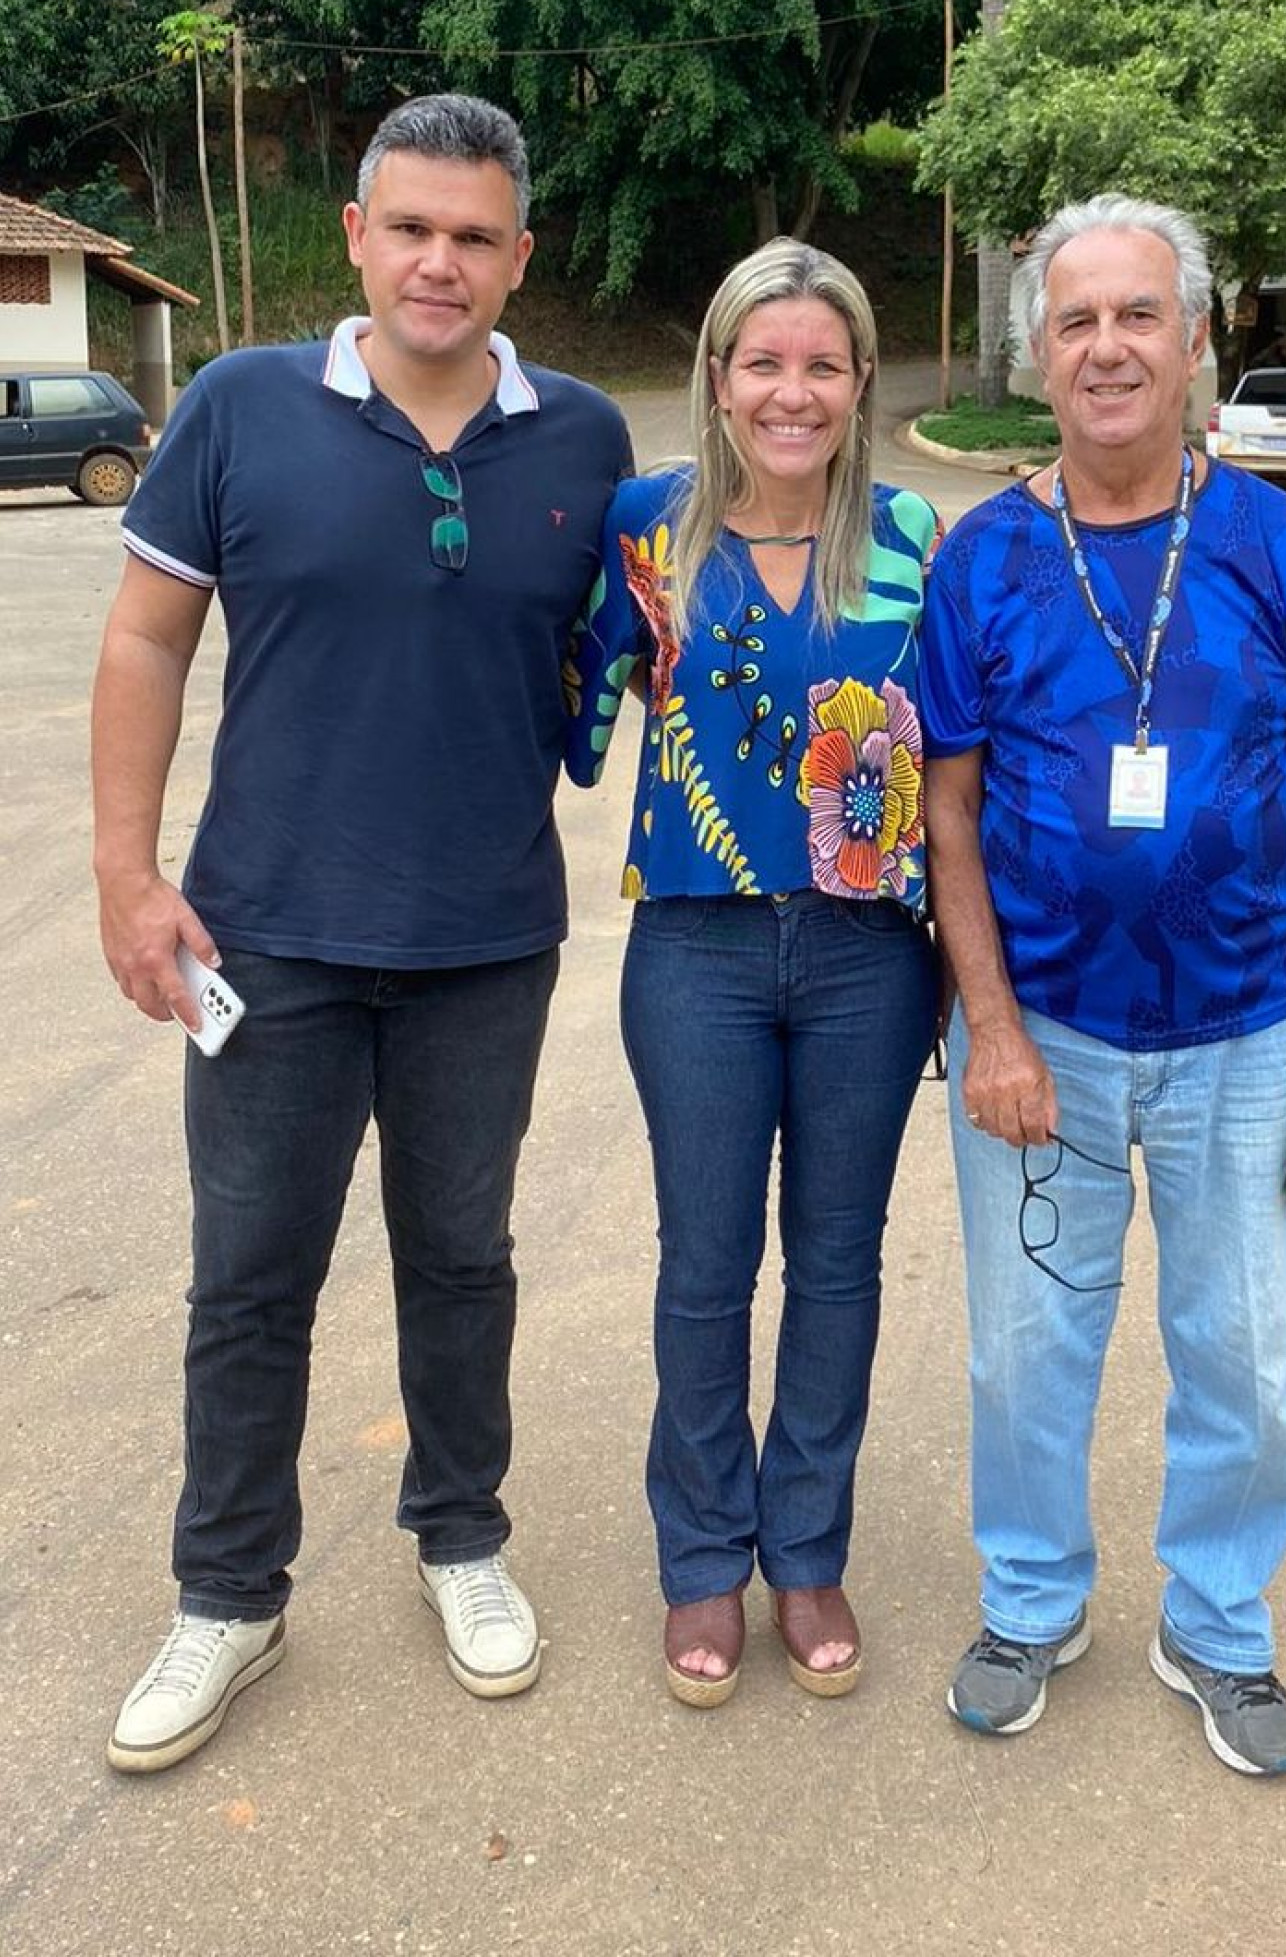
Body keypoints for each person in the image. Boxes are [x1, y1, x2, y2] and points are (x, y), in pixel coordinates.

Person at [91, 93, 632, 1773]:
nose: (439, 262)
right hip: (266, 938)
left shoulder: (587, 438)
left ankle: (461, 1536)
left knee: (462, 1259)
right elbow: (144, 646)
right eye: (410, 227)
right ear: (355, 233)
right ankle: (228, 1591)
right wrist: (127, 873)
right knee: (251, 1278)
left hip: (485, 941)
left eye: (475, 235)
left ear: (519, 255)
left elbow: (613, 656)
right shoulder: (243, 407)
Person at [921, 193, 1286, 1777]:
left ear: (1199, 342)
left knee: (1246, 1352)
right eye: (1077, 321)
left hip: (1252, 1032)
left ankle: (1216, 1624)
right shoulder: (986, 555)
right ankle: (1035, 1597)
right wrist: (986, 1024)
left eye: (1140, 316)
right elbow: (948, 807)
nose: (1109, 347)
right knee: (1026, 1347)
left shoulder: (1281, 544)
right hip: (1042, 1031)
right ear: (1037, 353)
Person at [564, 239, 941, 1707]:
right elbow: (565, 698)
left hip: (869, 957)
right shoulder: (645, 531)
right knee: (706, 1268)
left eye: (824, 364)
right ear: (717, 378)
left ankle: (806, 1548)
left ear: (859, 381)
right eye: (763, 362)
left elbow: (972, 759)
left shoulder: (918, 536)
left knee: (839, 1265)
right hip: (698, 948)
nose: (794, 391)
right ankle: (703, 1559)